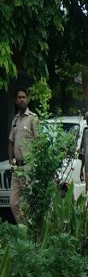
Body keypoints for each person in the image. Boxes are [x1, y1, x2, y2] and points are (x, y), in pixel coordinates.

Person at [8, 87, 38, 224]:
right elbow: (10, 141)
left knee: (28, 202)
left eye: (23, 97)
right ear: (15, 100)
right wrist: (10, 160)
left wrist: (36, 164)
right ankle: (24, 228)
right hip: (17, 168)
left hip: (28, 166)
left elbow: (38, 141)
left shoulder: (32, 118)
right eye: (19, 97)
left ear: (27, 99)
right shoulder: (15, 120)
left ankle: (30, 231)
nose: (21, 100)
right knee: (13, 203)